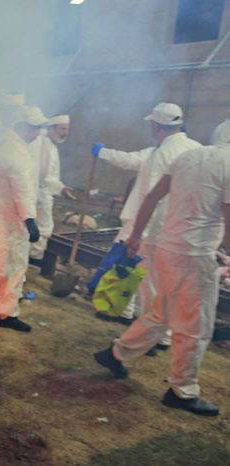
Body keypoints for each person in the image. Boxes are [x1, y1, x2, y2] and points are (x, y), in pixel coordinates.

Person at [94, 143, 230, 417]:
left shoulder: (189, 155)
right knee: (195, 327)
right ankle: (183, 390)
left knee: (162, 313)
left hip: (167, 248)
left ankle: (116, 352)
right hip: (195, 255)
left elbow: (152, 196)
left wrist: (136, 235)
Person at [92, 103, 201, 328]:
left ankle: (152, 332)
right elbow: (132, 160)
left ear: (155, 125)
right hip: (181, 226)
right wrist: (103, 153)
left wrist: (137, 234)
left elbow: (151, 197)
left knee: (147, 278)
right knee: (148, 275)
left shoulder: (163, 153)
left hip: (153, 225)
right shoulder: (192, 149)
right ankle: (126, 313)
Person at [0, 106, 45, 332]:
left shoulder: (9, 144)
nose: (37, 133)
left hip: (4, 214)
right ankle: (0, 310)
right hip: (9, 218)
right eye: (33, 128)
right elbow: (22, 186)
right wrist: (30, 218)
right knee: (9, 266)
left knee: (2, 265)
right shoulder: (14, 150)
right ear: (21, 126)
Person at [30, 115, 75, 264]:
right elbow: (42, 175)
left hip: (42, 192)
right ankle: (34, 259)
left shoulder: (51, 146)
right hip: (36, 192)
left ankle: (32, 257)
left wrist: (61, 188)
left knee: (39, 227)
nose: (65, 133)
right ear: (52, 128)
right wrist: (60, 188)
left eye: (67, 129)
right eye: (62, 129)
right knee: (44, 227)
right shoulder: (39, 142)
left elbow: (50, 177)